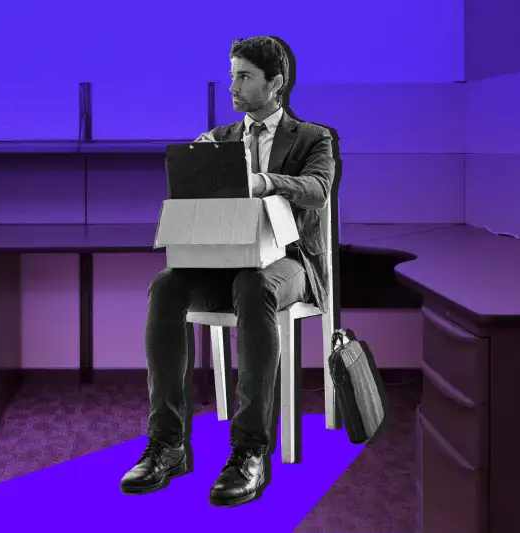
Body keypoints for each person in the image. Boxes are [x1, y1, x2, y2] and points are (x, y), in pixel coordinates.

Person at [120, 35, 337, 507]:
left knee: (254, 284)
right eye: (232, 74)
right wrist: (195, 170)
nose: (233, 86)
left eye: (245, 76)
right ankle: (168, 445)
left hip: (287, 264)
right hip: (220, 264)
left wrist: (263, 182)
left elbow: (318, 190)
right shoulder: (218, 141)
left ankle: (249, 452)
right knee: (165, 285)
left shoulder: (313, 138)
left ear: (275, 83)